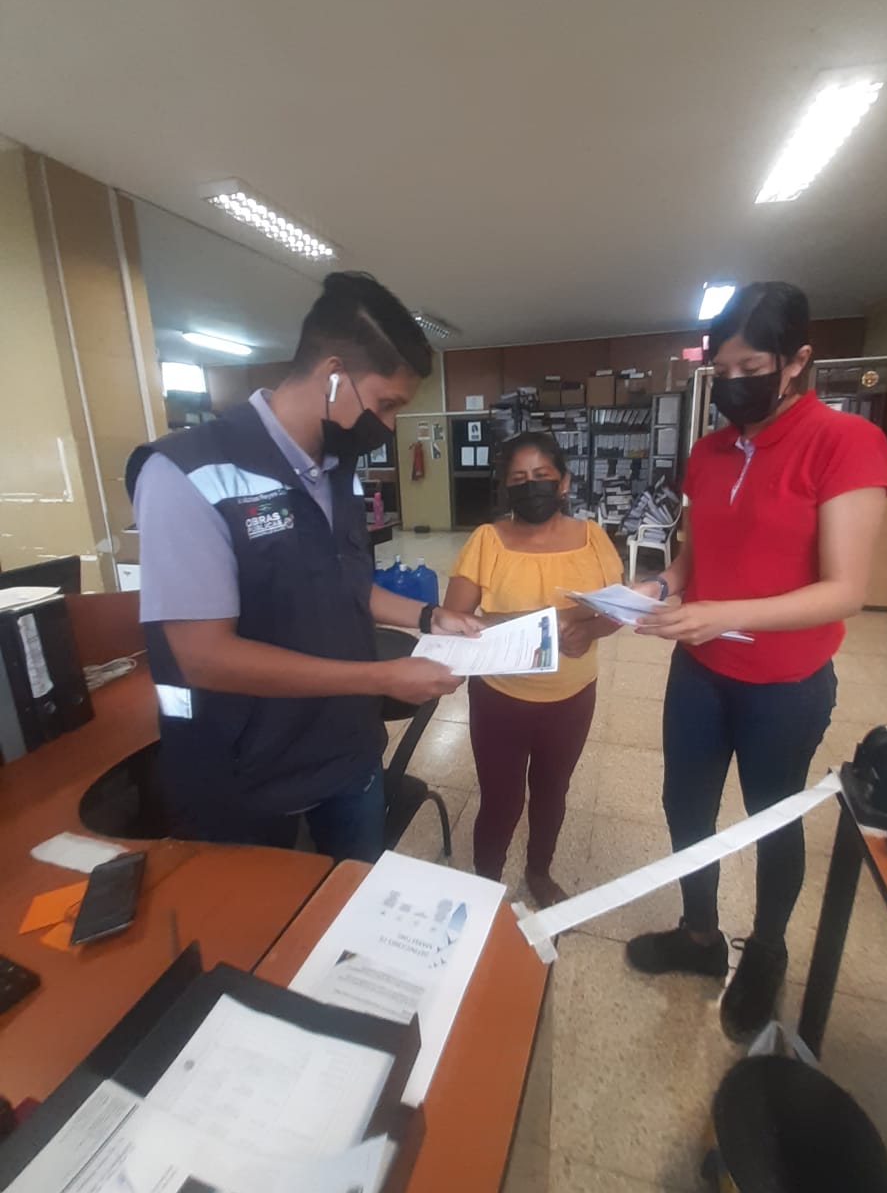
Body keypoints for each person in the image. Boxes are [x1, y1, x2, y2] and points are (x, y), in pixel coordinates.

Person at [127, 271, 479, 860]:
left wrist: (428, 617)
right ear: (334, 374)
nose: (388, 425)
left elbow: (343, 582)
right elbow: (203, 656)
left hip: (347, 753)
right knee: (263, 919)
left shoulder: (337, 468)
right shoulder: (187, 474)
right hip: (247, 776)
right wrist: (382, 678)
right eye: (387, 404)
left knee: (350, 903)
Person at [626, 281, 887, 1041]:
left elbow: (844, 591)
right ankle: (699, 934)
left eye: (751, 369)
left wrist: (724, 613)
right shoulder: (709, 451)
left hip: (785, 683)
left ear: (796, 361)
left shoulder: (844, 442)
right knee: (686, 806)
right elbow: (695, 554)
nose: (733, 384)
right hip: (700, 674)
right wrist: (660, 587)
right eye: (722, 371)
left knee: (772, 818)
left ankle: (767, 952)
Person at [443, 432, 623, 906]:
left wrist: (590, 630)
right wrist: (530, 622)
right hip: (499, 697)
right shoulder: (487, 541)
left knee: (552, 792)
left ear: (563, 482)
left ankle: (539, 871)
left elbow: (616, 613)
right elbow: (453, 619)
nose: (532, 487)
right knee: (500, 800)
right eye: (519, 479)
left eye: (542, 476)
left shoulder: (593, 538)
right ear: (507, 488)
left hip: (571, 698)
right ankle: (485, 883)